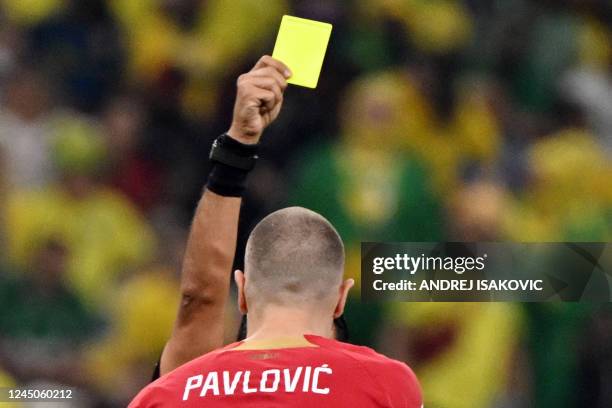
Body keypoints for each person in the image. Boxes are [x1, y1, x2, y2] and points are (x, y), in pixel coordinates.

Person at [129, 55, 422, 407]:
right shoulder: (386, 385)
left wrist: (238, 143)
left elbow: (201, 299)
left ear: (241, 292)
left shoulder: (174, 391)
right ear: (340, 299)